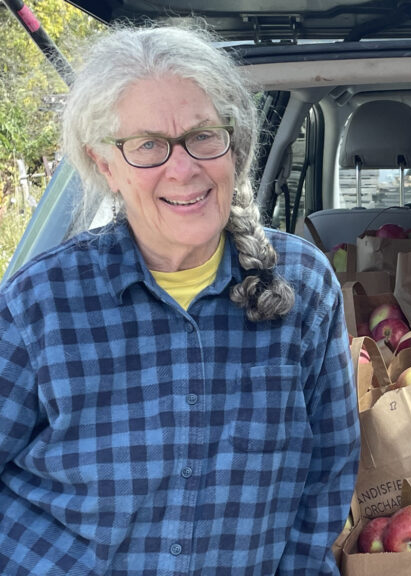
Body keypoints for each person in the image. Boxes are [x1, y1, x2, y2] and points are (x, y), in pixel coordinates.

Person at [0, 25, 360, 575]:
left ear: (233, 146)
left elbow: (329, 470)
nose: (184, 167)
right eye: (148, 145)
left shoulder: (305, 285)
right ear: (106, 166)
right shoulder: (40, 303)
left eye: (203, 136)